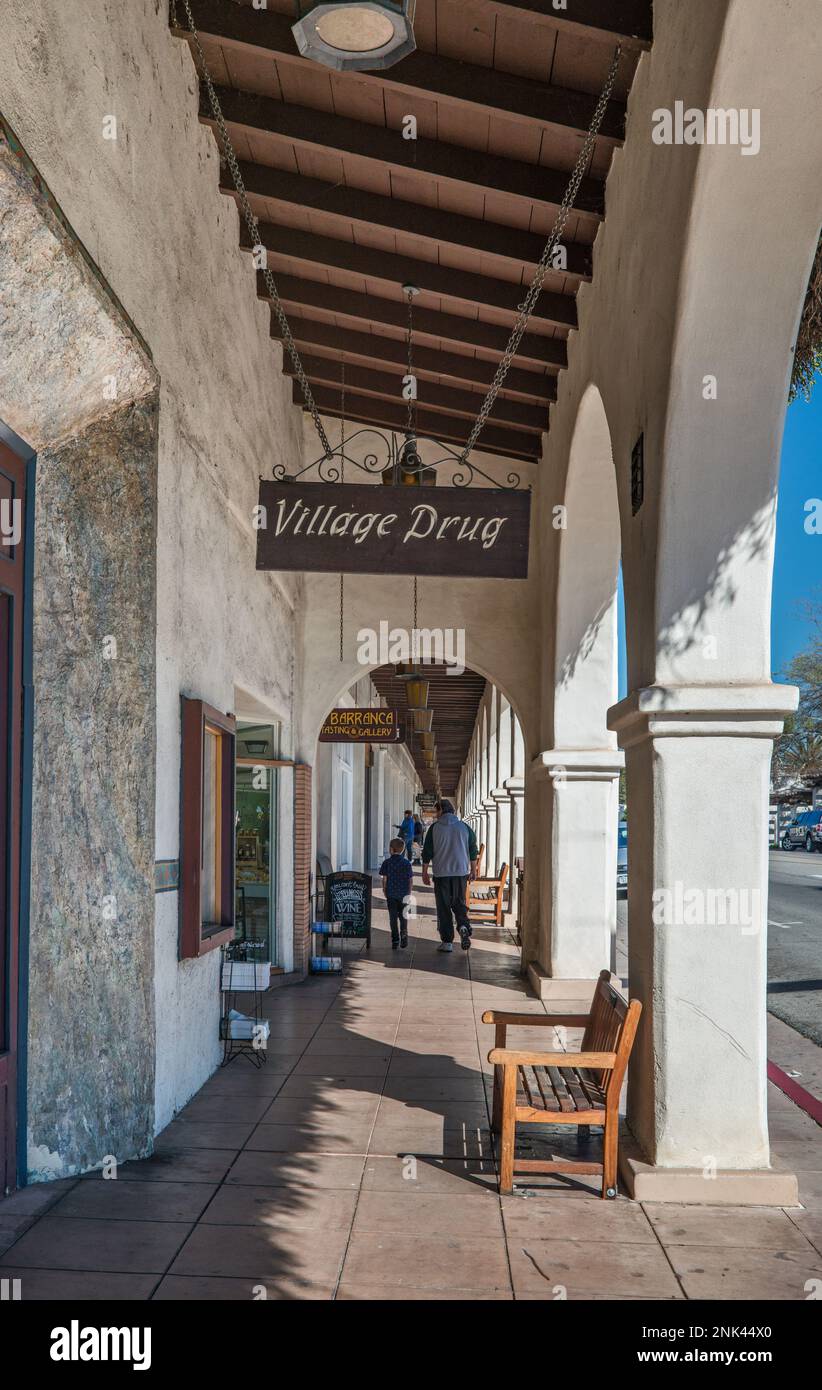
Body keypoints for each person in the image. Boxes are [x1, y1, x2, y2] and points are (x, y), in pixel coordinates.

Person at [421, 798, 478, 952]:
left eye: (436, 811)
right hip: (460, 873)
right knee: (459, 904)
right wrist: (473, 870)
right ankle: (464, 927)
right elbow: (473, 850)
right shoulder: (464, 827)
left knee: (444, 907)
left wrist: (425, 872)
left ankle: (447, 942)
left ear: (441, 810)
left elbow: (427, 852)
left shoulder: (434, 828)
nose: (436, 815)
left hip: (441, 874)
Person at [379, 836, 414, 950]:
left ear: (391, 849)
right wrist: (409, 892)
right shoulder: (407, 863)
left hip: (391, 894)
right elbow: (410, 880)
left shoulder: (387, 863)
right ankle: (404, 933)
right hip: (404, 894)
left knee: (392, 917)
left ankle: (395, 939)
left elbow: (384, 878)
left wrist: (384, 890)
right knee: (404, 916)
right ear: (402, 850)